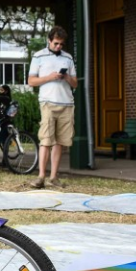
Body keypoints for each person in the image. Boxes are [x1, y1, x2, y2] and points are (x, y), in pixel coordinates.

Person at [27, 26, 77, 188]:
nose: (58, 47)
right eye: (56, 43)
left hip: (66, 103)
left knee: (60, 142)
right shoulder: (39, 56)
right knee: (46, 140)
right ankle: (41, 176)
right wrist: (50, 77)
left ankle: (54, 176)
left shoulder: (68, 58)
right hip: (48, 102)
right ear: (49, 41)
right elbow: (31, 81)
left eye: (61, 44)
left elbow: (75, 83)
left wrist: (66, 76)